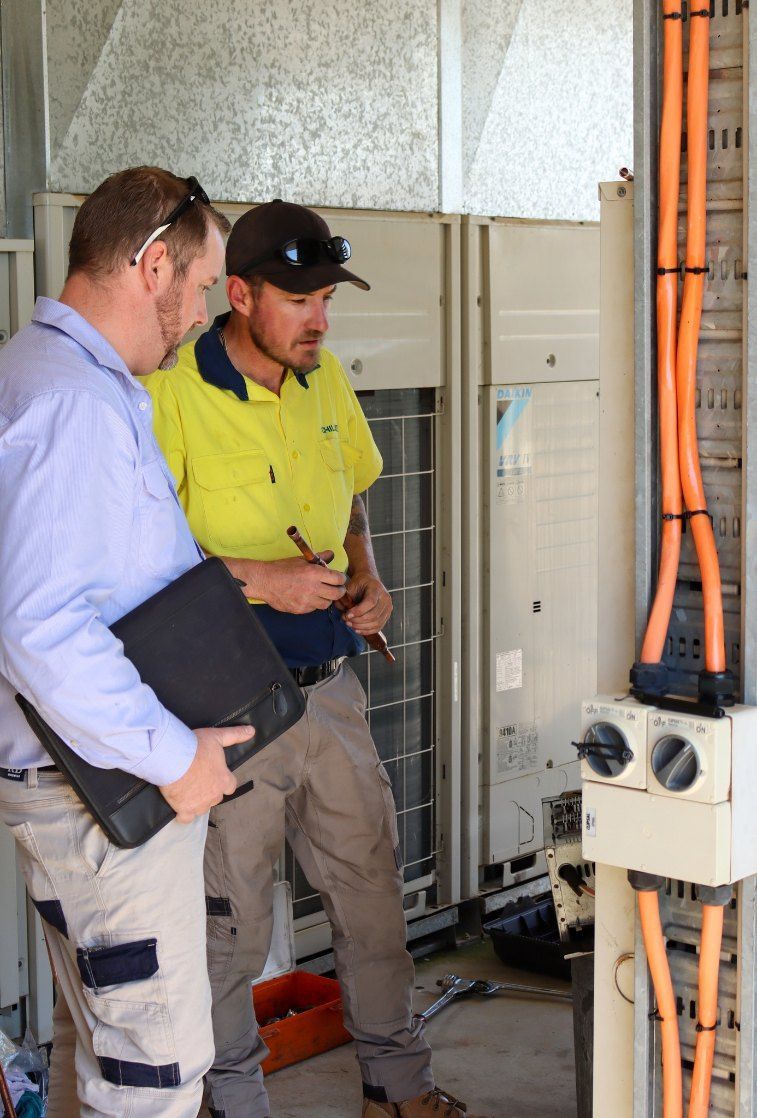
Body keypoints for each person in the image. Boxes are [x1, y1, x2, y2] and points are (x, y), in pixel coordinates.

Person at [145, 199, 487, 1118]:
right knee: (232, 926)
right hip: (227, 707)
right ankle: (233, 1103)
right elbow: (141, 561)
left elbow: (352, 505)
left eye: (327, 298)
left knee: (372, 897)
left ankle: (396, 1088)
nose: (320, 320)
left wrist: (367, 582)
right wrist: (262, 580)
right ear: (243, 294)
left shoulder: (323, 378)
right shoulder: (170, 391)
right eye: (300, 299)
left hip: (330, 693)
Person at [0, 167, 253, 1118]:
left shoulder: (47, 377)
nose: (199, 313)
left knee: (98, 1063)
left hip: (86, 798)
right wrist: (174, 755)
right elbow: (38, 625)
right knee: (152, 1081)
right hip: (107, 802)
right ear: (151, 265)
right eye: (196, 287)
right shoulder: (69, 401)